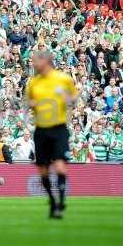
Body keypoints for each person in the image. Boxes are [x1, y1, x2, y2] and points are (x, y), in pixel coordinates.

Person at [25, 51, 78, 219]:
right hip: (41, 130)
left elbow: (75, 98)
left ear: (46, 61)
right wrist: (32, 105)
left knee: (60, 166)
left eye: (35, 61)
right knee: (43, 171)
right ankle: (52, 201)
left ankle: (61, 202)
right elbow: (29, 103)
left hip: (59, 129)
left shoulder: (63, 79)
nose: (33, 64)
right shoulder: (33, 83)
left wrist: (68, 99)